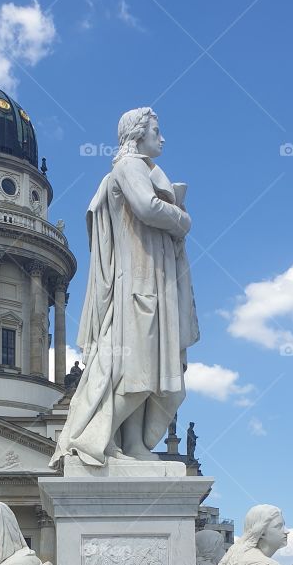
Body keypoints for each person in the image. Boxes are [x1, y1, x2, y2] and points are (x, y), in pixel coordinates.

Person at [50, 107, 198, 467]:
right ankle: (93, 438)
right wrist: (183, 219)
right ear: (137, 135)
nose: (162, 138)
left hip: (147, 282)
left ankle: (131, 444)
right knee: (141, 370)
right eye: (156, 131)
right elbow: (147, 208)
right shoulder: (129, 166)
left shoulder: (138, 168)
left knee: (140, 375)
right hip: (140, 285)